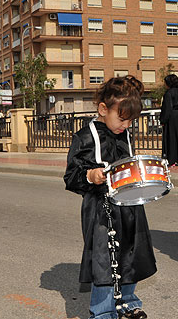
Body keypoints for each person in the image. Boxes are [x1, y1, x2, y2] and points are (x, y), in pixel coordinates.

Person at [63, 76, 155, 319]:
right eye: (121, 118)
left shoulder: (124, 134)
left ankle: (127, 301)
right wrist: (90, 175)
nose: (125, 124)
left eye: (130, 120)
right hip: (100, 210)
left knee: (130, 254)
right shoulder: (85, 136)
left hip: (129, 205)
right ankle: (103, 311)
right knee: (104, 260)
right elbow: (71, 176)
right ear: (103, 109)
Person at [160, 74, 178, 166]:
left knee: (171, 137)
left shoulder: (168, 93)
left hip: (172, 117)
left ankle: (171, 158)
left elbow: (167, 108)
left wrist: (163, 120)